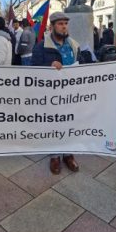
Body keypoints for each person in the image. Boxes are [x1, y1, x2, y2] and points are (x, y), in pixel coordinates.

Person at [32, 11, 81, 174]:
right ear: (52, 26)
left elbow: (84, 64)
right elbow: (33, 69)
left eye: (66, 23)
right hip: (51, 94)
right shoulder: (41, 46)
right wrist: (49, 65)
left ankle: (68, 154)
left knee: (69, 122)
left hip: (71, 93)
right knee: (53, 124)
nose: (64, 26)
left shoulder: (74, 44)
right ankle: (54, 156)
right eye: (60, 24)